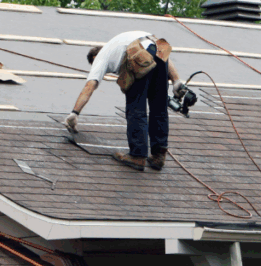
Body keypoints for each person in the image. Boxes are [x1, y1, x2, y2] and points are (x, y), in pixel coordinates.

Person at [66, 31, 186, 171]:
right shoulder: (118, 44)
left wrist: (75, 113)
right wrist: (176, 81)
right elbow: (161, 53)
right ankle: (158, 156)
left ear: (94, 57)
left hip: (139, 56)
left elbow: (90, 85)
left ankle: (137, 156)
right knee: (159, 106)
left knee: (136, 108)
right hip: (158, 46)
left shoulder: (101, 57)